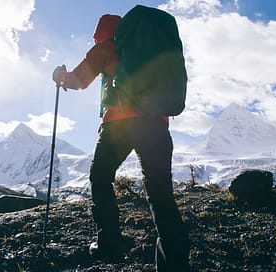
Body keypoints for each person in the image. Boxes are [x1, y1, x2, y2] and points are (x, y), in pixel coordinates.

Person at [52, 14, 190, 271]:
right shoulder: (149, 51)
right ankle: (175, 262)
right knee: (161, 194)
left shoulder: (106, 47)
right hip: (157, 126)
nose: (95, 38)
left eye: (95, 35)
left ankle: (109, 245)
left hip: (119, 124)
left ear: (102, 32)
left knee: (101, 178)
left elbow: (77, 81)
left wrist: (59, 75)